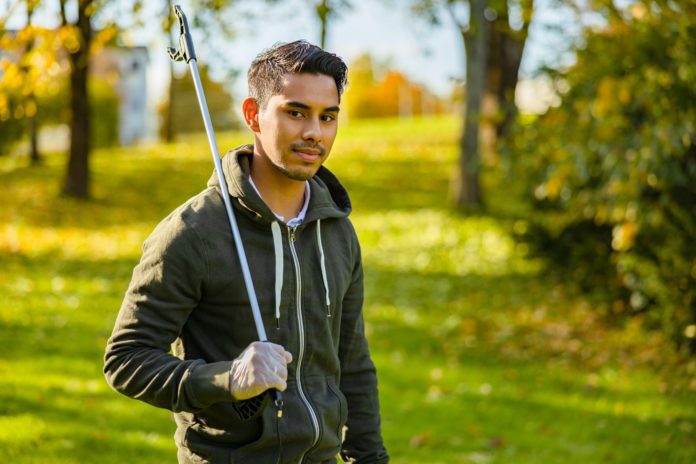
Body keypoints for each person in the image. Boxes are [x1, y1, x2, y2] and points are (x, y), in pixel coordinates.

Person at [103, 40, 390, 464]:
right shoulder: (193, 232)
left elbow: (352, 360)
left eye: (327, 117)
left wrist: (371, 457)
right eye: (296, 112)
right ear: (253, 115)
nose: (314, 131)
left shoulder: (338, 232)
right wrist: (227, 378)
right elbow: (126, 360)